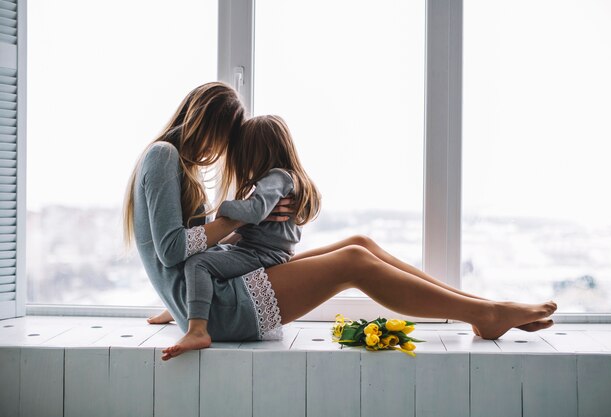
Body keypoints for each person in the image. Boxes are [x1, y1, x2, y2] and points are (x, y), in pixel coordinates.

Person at [125, 81, 557, 362]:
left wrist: (175, 298)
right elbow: (172, 249)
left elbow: (177, 252)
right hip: (220, 311)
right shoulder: (164, 155)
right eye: (227, 137)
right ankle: (487, 313)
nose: (224, 151)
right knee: (352, 261)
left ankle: (480, 308)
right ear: (210, 124)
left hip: (213, 295)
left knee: (359, 242)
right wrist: (233, 226)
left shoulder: (173, 160)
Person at [165, 115, 321, 359]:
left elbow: (255, 211)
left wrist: (224, 208)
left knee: (198, 262)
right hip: (263, 250)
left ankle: (197, 329)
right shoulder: (291, 178)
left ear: (255, 153)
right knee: (207, 255)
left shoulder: (277, 177)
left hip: (260, 254)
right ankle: (183, 307)